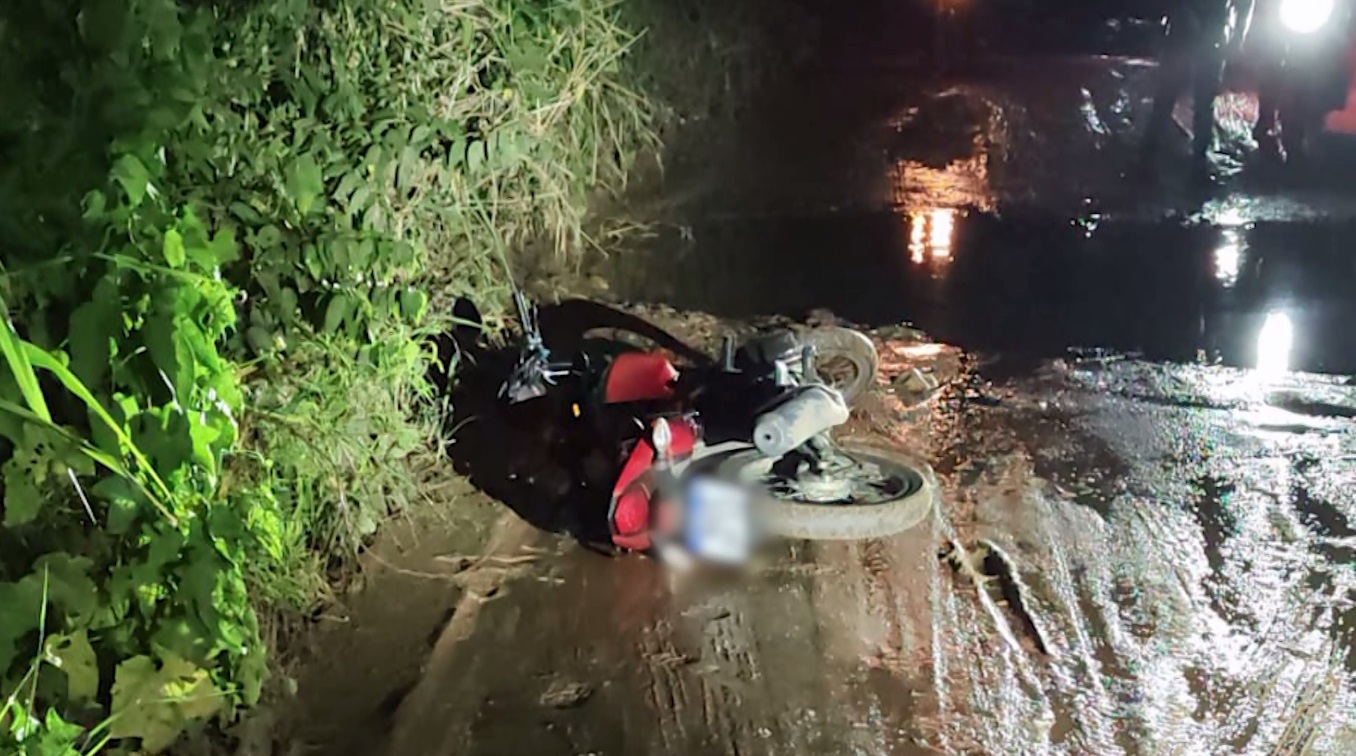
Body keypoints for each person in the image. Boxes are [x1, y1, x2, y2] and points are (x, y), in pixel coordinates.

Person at [1142, 0, 1256, 179]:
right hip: (1189, 31)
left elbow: (1244, 4)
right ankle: (1150, 154)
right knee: (1170, 94)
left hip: (1211, 31)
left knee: (1201, 100)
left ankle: (1197, 160)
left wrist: (1238, 35)